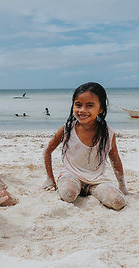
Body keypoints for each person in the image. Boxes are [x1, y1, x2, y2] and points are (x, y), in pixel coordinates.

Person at [43, 82, 129, 210]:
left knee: (118, 202)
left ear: (101, 109)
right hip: (70, 175)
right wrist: (50, 179)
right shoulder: (67, 129)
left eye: (89, 105)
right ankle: (77, 188)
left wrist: (122, 187)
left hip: (96, 180)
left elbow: (115, 159)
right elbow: (47, 150)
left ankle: (89, 190)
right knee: (68, 194)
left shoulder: (108, 134)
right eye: (78, 105)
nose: (82, 110)